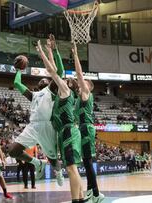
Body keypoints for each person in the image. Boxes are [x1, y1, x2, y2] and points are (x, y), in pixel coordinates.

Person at [8, 35, 64, 186]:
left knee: (53, 160)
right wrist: (19, 69)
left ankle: (58, 172)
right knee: (12, 150)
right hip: (32, 126)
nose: (45, 80)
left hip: (47, 126)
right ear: (38, 84)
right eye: (43, 80)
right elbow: (16, 83)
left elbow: (59, 72)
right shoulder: (33, 95)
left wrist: (54, 50)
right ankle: (37, 163)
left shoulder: (51, 90)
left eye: (47, 79)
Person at [37, 40, 88, 203]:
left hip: (68, 132)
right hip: (67, 132)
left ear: (69, 85)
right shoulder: (64, 94)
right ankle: (80, 198)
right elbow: (55, 70)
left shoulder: (66, 91)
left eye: (66, 79)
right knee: (73, 169)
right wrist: (51, 50)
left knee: (71, 168)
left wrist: (41, 52)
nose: (62, 80)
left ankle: (76, 200)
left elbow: (53, 71)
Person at [72, 44, 104, 203]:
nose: (80, 83)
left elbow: (78, 73)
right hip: (83, 128)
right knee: (86, 161)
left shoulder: (86, 93)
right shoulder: (79, 98)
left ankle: (96, 193)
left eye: (83, 82)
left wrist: (76, 55)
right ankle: (93, 191)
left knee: (87, 161)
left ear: (88, 87)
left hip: (86, 128)